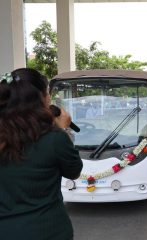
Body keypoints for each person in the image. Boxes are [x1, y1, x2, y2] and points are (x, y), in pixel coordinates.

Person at [0, 68, 83, 240]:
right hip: (48, 231)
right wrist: (62, 129)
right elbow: (74, 171)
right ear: (41, 99)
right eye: (47, 93)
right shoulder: (54, 138)